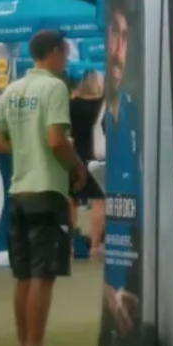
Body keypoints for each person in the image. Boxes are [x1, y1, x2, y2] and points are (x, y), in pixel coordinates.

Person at [0, 30, 88, 346]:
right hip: (47, 190)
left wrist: (25, 147)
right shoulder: (54, 87)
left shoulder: (14, 88)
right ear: (56, 51)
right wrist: (77, 165)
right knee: (42, 275)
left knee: (23, 274)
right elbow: (55, 140)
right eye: (65, 52)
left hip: (19, 190)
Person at [69, 69, 105, 257]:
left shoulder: (72, 105)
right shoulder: (104, 104)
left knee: (71, 201)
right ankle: (95, 246)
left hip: (75, 157)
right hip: (99, 157)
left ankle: (69, 246)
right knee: (99, 202)